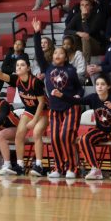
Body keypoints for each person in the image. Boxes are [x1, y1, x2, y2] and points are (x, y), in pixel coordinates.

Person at [52, 74, 111, 180]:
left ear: (108, 87)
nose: (99, 87)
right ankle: (95, 169)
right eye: (97, 84)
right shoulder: (93, 97)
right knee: (84, 139)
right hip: (102, 130)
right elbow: (77, 101)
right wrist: (61, 95)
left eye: (102, 84)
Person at [32, 17, 82, 179]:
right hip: (54, 107)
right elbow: (39, 53)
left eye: (61, 53)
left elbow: (80, 89)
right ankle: (58, 167)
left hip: (70, 107)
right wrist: (37, 33)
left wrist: (77, 96)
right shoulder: (47, 67)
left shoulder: (71, 70)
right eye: (55, 53)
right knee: (54, 138)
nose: (57, 54)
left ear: (66, 57)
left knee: (65, 136)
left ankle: (72, 167)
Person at [0, 54, 47, 176]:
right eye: (17, 65)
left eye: (22, 65)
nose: (19, 67)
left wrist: (34, 120)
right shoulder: (16, 80)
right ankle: (20, 165)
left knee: (36, 133)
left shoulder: (35, 82)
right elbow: (0, 75)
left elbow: (41, 102)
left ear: (28, 68)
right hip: (29, 110)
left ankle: (39, 165)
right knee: (19, 135)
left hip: (43, 111)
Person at [64, 0, 104, 64]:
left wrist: (83, 19)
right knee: (72, 37)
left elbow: (88, 32)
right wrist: (78, 33)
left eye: (87, 5)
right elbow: (66, 30)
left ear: (91, 7)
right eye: (82, 5)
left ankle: (86, 64)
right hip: (82, 46)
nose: (84, 7)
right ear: (80, 7)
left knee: (85, 37)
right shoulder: (77, 16)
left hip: (96, 46)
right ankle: (67, 60)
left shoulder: (97, 16)